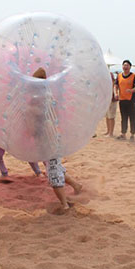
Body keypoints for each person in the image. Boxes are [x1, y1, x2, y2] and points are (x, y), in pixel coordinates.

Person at [32, 67, 83, 210]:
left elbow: (41, 117)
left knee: (53, 171)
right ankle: (76, 186)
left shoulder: (43, 96)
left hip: (50, 139)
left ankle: (65, 205)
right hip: (51, 138)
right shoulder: (45, 94)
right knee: (55, 166)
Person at [115, 60, 135, 141]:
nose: (125, 67)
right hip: (122, 100)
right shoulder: (119, 76)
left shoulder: (134, 76)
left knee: (132, 117)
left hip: (131, 100)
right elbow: (116, 85)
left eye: (127, 65)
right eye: (124, 65)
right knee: (123, 117)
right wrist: (116, 93)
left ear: (130, 67)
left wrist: (132, 90)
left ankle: (132, 134)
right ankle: (123, 134)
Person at [104, 72, 119, 137]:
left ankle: (111, 132)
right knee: (107, 116)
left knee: (111, 116)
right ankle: (108, 131)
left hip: (112, 99)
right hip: (107, 99)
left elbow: (113, 86)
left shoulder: (109, 75)